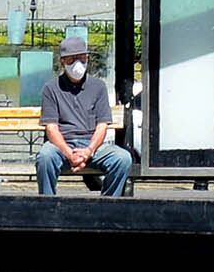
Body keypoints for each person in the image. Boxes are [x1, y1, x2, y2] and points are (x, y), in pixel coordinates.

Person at [32, 39, 136, 200]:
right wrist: (69, 154)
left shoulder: (98, 87)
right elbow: (51, 128)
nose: (77, 64)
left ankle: (107, 205)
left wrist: (88, 151)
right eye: (71, 59)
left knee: (122, 158)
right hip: (61, 146)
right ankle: (48, 205)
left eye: (82, 58)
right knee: (45, 157)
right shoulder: (51, 88)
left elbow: (102, 125)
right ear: (62, 62)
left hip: (92, 145)